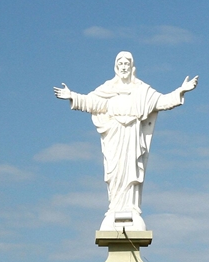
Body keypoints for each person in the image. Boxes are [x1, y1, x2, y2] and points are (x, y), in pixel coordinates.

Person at [54, 52, 197, 231]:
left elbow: (161, 101)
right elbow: (91, 102)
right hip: (114, 136)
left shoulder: (142, 90)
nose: (123, 66)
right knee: (115, 174)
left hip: (132, 135)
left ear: (132, 67)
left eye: (126, 63)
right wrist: (72, 95)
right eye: (120, 63)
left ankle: (131, 209)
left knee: (131, 172)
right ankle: (115, 208)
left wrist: (180, 91)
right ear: (116, 67)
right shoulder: (108, 89)